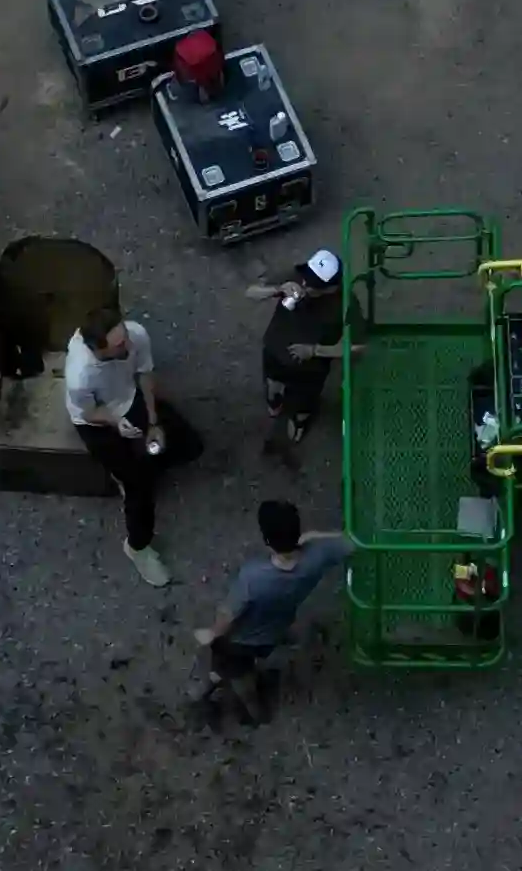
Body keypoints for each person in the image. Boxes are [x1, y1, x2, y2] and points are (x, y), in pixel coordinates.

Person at [67, 304, 200, 586]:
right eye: (119, 344)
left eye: (125, 335)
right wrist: (117, 423)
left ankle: (143, 465)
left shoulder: (135, 334)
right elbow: (89, 412)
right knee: (139, 488)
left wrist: (153, 422)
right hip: (97, 419)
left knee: (192, 446)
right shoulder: (80, 375)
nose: (128, 343)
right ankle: (137, 546)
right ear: (98, 349)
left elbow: (145, 374)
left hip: (130, 397)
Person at [194, 500, 352, 723]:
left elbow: (229, 615)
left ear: (267, 541)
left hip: (240, 642)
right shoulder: (317, 558)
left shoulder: (253, 577)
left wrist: (210, 633)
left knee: (242, 681)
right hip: (276, 628)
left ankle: (255, 714)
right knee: (240, 660)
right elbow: (346, 542)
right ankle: (219, 675)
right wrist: (314, 538)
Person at [247, 248, 344, 464]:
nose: (306, 286)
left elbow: (354, 346)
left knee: (304, 403)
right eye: (306, 280)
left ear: (332, 287)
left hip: (311, 369)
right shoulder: (296, 277)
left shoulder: (345, 305)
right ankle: (275, 402)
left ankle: (299, 421)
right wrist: (276, 290)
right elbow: (251, 292)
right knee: (272, 385)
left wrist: (314, 351)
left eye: (314, 285)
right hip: (275, 351)